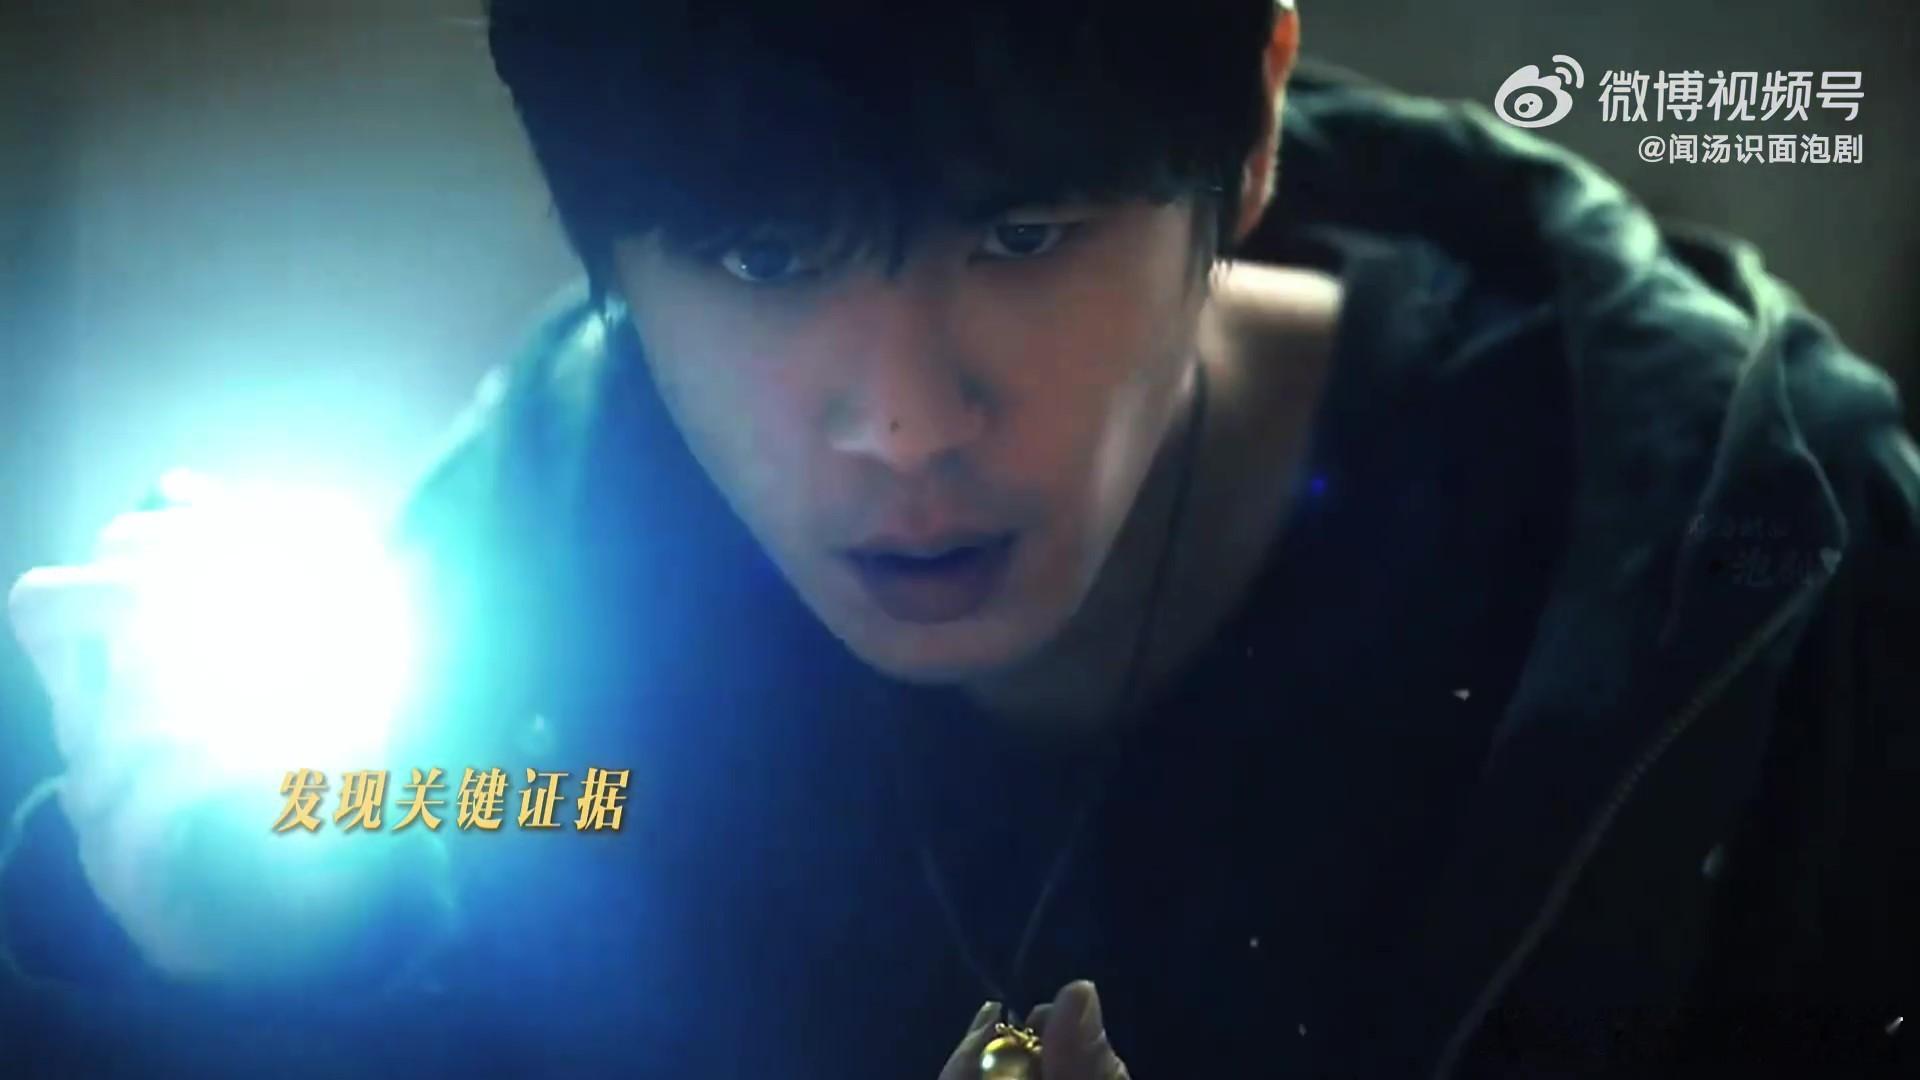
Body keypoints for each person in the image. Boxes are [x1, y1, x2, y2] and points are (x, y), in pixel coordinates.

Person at [5, 1, 1918, 1076]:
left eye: (1021, 238)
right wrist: (254, 962)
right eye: (765, 259)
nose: (906, 421)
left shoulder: (1756, 574)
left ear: (1251, 121)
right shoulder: (537, 574)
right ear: (609, 242)